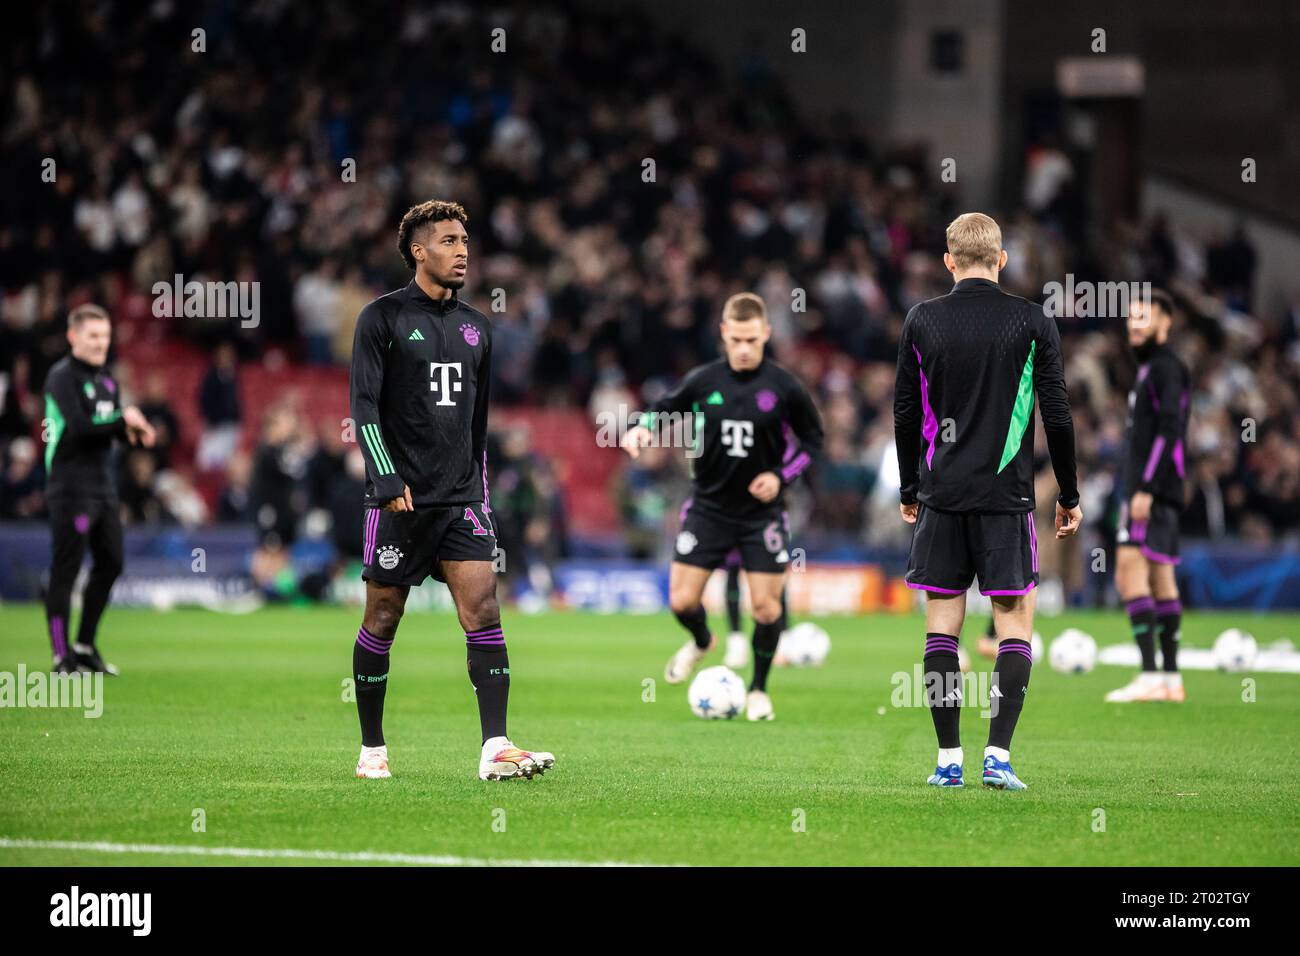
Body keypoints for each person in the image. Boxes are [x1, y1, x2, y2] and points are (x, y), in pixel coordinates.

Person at [348, 200, 553, 781]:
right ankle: (372, 749)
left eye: (465, 240)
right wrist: (384, 475)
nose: (462, 250)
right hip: (400, 498)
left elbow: (477, 425)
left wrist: (479, 492)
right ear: (418, 250)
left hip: (461, 499)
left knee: (483, 609)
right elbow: (363, 405)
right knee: (384, 615)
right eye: (448, 241)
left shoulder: (477, 328)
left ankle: (495, 746)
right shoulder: (380, 319)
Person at [894, 213, 1080, 791]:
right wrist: (1068, 493)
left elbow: (905, 412)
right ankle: (997, 756)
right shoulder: (1030, 321)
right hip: (1007, 499)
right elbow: (1057, 413)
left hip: (942, 497)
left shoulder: (922, 319)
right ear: (1002, 260)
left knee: (942, 630)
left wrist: (909, 488)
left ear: (948, 262)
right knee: (1013, 626)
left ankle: (948, 758)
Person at [621, 292, 823, 722]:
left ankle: (759, 689)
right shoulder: (705, 380)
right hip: (708, 509)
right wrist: (642, 428)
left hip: (761, 515)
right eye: (738, 340)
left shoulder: (784, 386)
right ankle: (700, 641)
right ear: (725, 335)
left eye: (754, 339)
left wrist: (781, 476)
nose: (746, 348)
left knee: (766, 609)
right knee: (680, 601)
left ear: (766, 334)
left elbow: (812, 442)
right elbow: (665, 406)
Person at [41, 304, 156, 674]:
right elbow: (79, 427)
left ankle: (85, 645)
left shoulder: (107, 380)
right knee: (66, 571)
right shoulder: (61, 377)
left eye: (105, 336)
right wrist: (124, 419)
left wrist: (133, 433)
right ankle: (62, 658)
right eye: (92, 335)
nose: (100, 343)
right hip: (69, 487)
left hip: (103, 488)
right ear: (73, 336)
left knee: (112, 563)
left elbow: (108, 431)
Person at [1106, 290, 1190, 703]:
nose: (1135, 324)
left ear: (1166, 322)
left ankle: (1149, 673)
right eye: (1131, 318)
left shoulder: (1163, 368)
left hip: (1149, 492)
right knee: (1160, 577)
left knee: (1128, 573)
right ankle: (1171, 679)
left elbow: (1170, 429)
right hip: (1160, 490)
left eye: (1145, 316)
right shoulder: (1153, 369)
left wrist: (1144, 488)